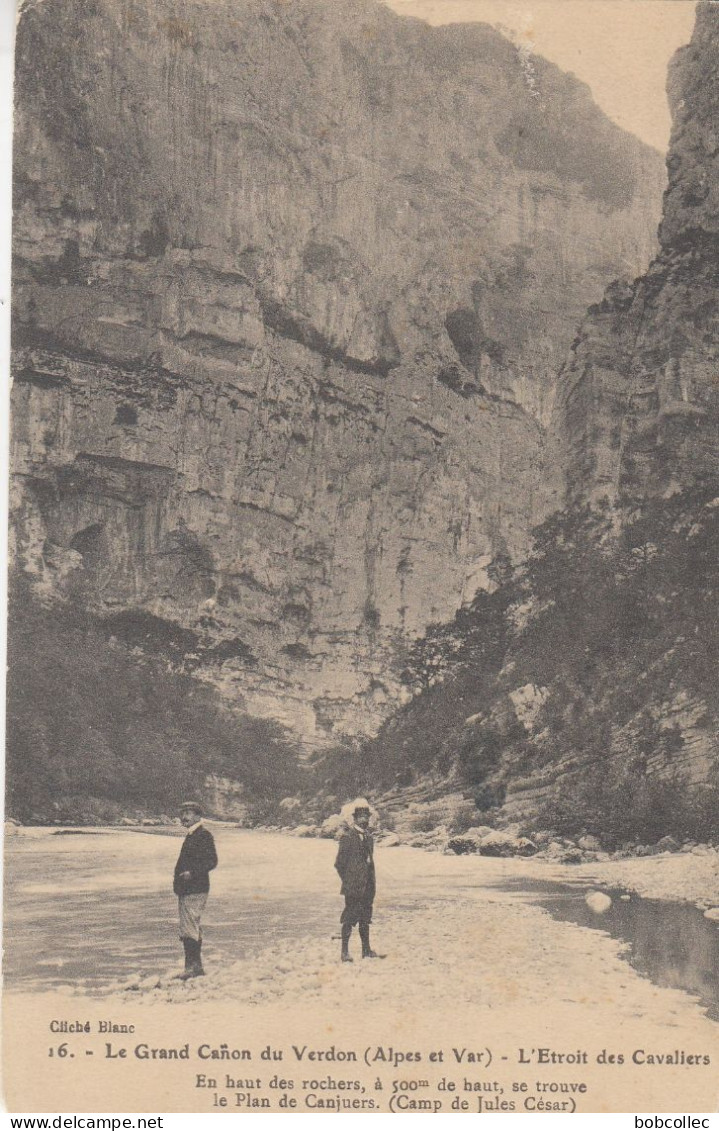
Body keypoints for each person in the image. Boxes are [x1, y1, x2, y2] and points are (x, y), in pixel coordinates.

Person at [173, 801, 218, 979]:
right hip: (188, 888)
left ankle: (192, 968)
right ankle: (194, 967)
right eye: (182, 813)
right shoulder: (193, 834)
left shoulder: (203, 835)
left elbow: (212, 861)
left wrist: (191, 873)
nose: (184, 817)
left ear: (198, 816)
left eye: (188, 813)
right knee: (190, 926)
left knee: (189, 927)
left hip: (195, 888)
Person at [334, 798, 379, 962]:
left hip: (368, 885)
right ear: (354, 818)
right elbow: (339, 864)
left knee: (365, 918)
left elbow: (369, 861)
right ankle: (344, 952)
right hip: (353, 886)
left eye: (366, 816)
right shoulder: (347, 837)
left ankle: (366, 950)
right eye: (361, 816)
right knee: (349, 918)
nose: (365, 819)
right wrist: (349, 880)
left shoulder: (369, 838)